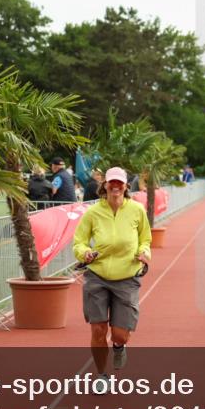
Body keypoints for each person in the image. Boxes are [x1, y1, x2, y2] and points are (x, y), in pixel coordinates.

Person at [73, 167, 152, 394]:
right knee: (98, 330)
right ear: (104, 185)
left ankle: (119, 346)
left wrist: (144, 251)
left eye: (120, 183)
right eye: (111, 183)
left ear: (126, 186)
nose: (115, 187)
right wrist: (84, 253)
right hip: (97, 277)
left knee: (120, 333)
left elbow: (145, 238)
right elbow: (79, 241)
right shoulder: (92, 212)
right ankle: (101, 375)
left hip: (127, 277)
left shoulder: (136, 210)